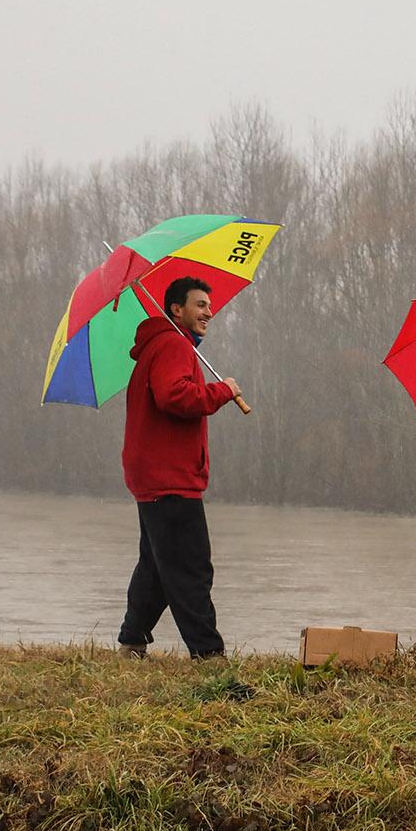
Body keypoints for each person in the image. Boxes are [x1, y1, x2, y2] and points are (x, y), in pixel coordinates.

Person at [116, 276, 243, 660]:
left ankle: (132, 641)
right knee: (191, 567)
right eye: (200, 305)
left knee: (157, 565)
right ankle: (208, 654)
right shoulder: (172, 345)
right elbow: (175, 396)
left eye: (209, 305)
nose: (208, 312)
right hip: (169, 477)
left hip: (153, 475)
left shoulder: (164, 345)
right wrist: (222, 391)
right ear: (176, 309)